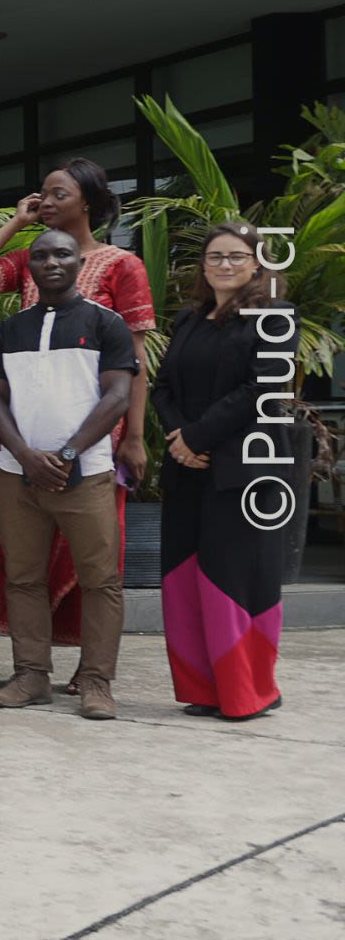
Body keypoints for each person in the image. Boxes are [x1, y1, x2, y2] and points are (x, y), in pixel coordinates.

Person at [0, 159, 155, 681]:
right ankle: (31, 670)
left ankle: (92, 675)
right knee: (28, 565)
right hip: (25, 444)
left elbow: (133, 363)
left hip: (91, 443)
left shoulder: (121, 265)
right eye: (41, 194)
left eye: (57, 194)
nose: (45, 201)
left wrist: (132, 437)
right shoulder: (33, 257)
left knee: (93, 565)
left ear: (87, 201)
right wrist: (19, 223)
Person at [0, 230, 138, 721]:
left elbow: (117, 396)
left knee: (101, 580)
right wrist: (25, 455)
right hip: (17, 474)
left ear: (78, 262)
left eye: (62, 254)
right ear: (30, 267)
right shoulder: (13, 328)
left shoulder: (105, 323)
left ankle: (96, 681)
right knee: (24, 578)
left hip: (85, 472)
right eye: (41, 255)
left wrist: (68, 452)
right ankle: (31, 675)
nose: (51, 262)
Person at [155, 223, 293, 722]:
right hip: (188, 469)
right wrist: (179, 439)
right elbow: (163, 388)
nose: (225, 265)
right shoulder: (189, 320)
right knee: (186, 581)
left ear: (257, 264)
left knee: (235, 581)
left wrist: (197, 437)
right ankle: (204, 688)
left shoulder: (274, 318)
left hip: (243, 469)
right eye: (215, 257)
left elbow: (260, 390)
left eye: (237, 256)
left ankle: (246, 691)